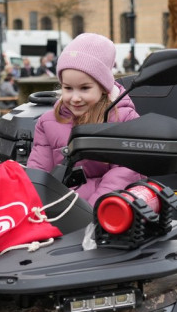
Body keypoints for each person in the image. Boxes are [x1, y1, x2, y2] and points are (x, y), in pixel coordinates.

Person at [26, 33, 142, 205]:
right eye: (68, 88)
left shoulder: (124, 119)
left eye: (84, 88)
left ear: (103, 87)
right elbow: (39, 171)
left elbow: (125, 172)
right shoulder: (48, 121)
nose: (75, 97)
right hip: (59, 209)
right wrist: (32, 203)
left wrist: (94, 208)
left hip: (106, 210)